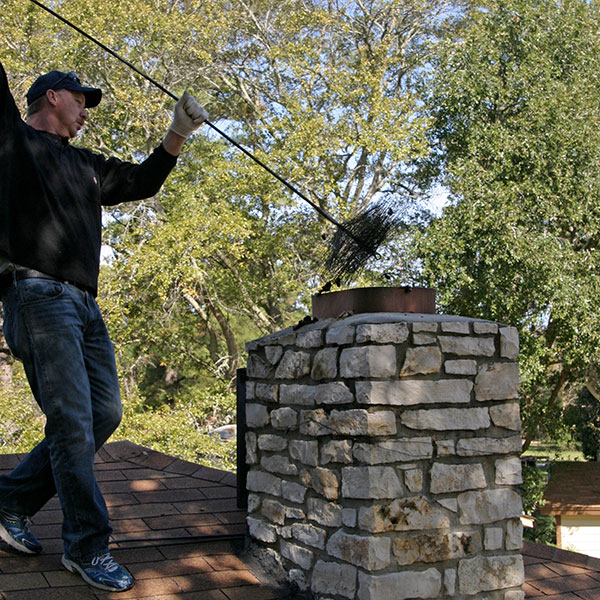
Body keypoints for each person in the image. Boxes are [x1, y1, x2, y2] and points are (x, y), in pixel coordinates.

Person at [0, 61, 208, 592]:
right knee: (71, 421)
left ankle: (11, 499)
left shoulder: (87, 166)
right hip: (36, 294)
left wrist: (177, 132)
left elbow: (141, 181)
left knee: (104, 413)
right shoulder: (14, 141)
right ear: (50, 97)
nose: (86, 111)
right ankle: (87, 547)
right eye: (80, 100)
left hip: (84, 306)